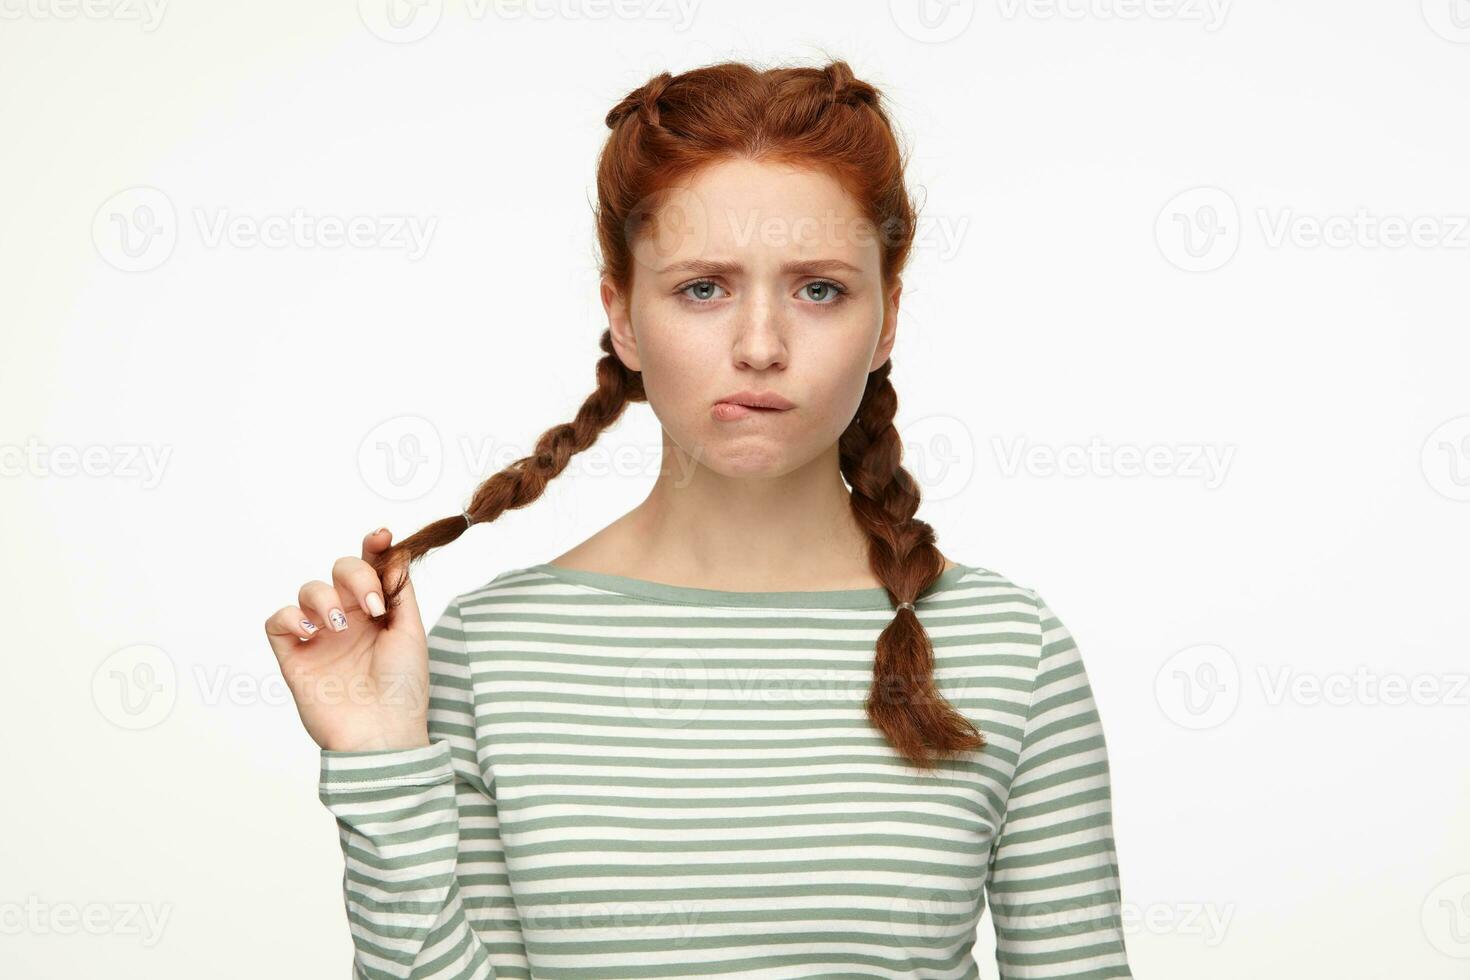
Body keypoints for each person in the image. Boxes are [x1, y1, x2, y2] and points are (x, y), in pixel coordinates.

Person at [265, 59, 1133, 980]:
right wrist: (379, 759)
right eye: (703, 289)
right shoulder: (490, 650)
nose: (760, 348)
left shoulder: (1013, 648)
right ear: (624, 319)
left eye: (820, 290)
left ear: (886, 322)